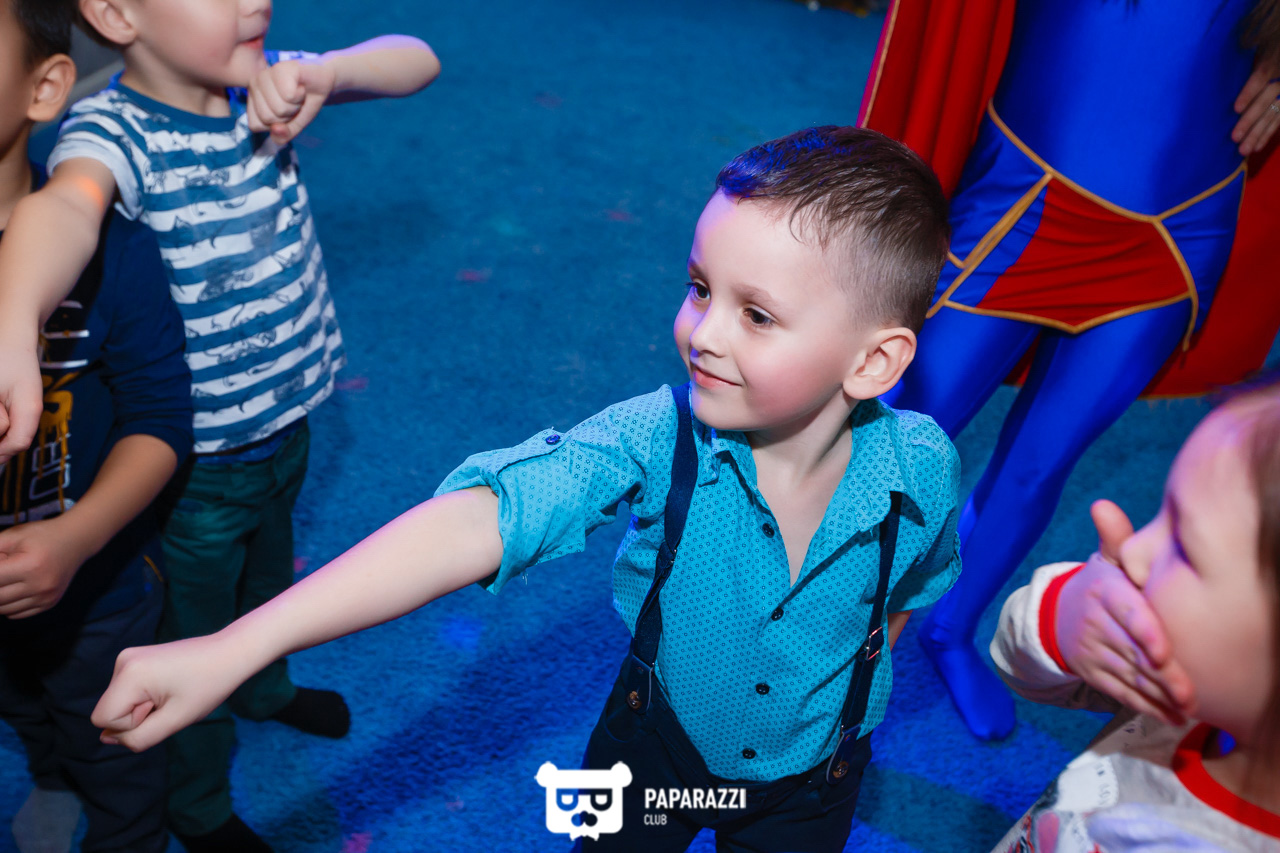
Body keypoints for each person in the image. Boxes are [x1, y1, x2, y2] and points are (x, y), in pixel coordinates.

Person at [89, 126, 962, 853]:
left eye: (757, 314)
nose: (702, 333)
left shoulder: (921, 467)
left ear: (874, 361)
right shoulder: (657, 435)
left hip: (811, 784)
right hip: (653, 751)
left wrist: (845, 683)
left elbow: (908, 586)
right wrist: (233, 646)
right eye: (700, 288)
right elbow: (478, 521)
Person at [0, 1, 441, 848]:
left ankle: (265, 688)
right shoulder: (111, 132)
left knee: (269, 580)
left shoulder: (260, 82)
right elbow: (65, 210)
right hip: (200, 465)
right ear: (115, 13)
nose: (253, 2)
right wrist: (15, 318)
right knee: (192, 644)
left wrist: (330, 72)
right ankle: (197, 805)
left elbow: (417, 59)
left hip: (291, 420)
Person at [870, 0, 1280, 740]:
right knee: (897, 431)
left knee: (1040, 465)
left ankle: (951, 626)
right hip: (1028, 187)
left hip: (1178, 229)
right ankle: (804, 618)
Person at [0, 1, 192, 850]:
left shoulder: (115, 248)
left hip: (97, 585)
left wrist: (75, 540)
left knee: (113, 742)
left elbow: (161, 420)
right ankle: (48, 773)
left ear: (44, 88)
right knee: (20, 704)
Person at [988, 375, 1280, 852]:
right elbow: (1023, 669)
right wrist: (1064, 621)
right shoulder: (1184, 689)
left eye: (1183, 547)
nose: (1135, 550)